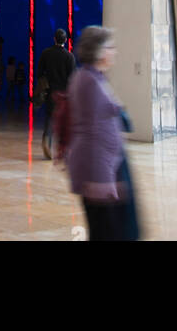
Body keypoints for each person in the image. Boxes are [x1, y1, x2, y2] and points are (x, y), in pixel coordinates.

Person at [65, 26, 139, 241]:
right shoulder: (89, 81)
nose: (114, 51)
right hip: (100, 173)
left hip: (104, 169)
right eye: (110, 47)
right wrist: (104, 181)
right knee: (109, 229)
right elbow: (93, 136)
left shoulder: (90, 78)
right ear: (99, 51)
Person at [37, 28, 75, 160]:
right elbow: (72, 78)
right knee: (64, 121)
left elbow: (39, 73)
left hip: (50, 91)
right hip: (64, 94)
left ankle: (47, 140)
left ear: (54, 39)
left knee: (49, 118)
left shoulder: (46, 53)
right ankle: (62, 149)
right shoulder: (69, 56)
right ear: (66, 40)